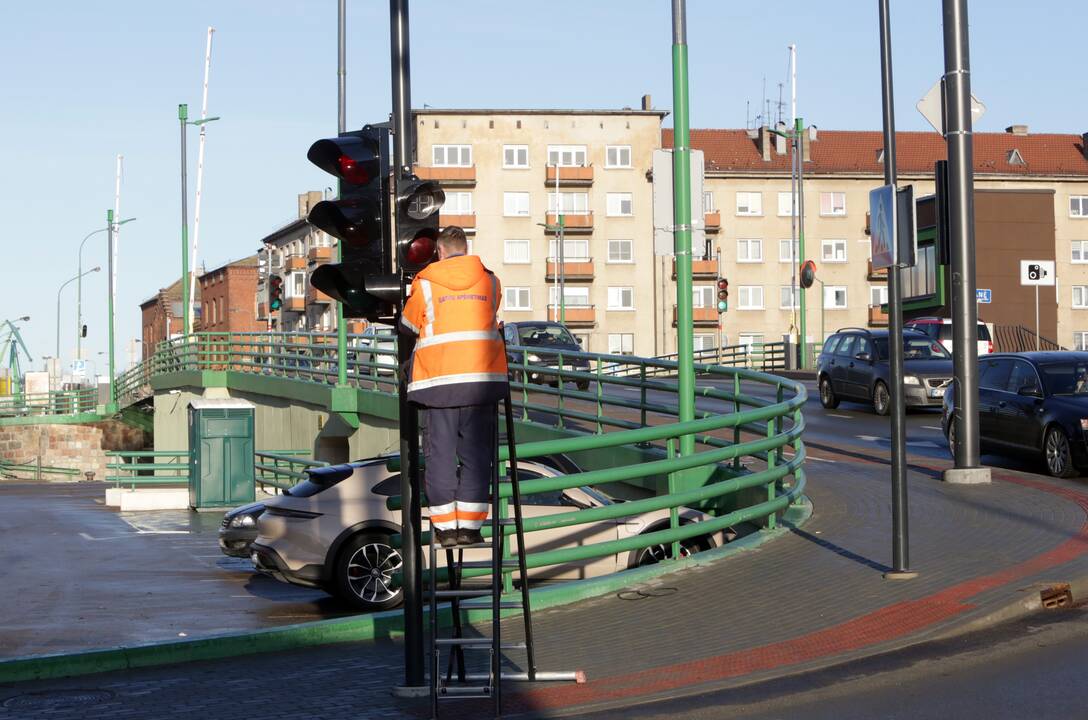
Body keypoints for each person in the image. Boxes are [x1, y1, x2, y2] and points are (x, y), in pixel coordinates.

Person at [400, 226, 509, 548]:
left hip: (439, 382)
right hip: (482, 381)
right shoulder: (489, 280)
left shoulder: (428, 283)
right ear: (465, 247)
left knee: (440, 457)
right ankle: (471, 529)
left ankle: (447, 530)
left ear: (440, 252)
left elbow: (408, 324)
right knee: (477, 457)